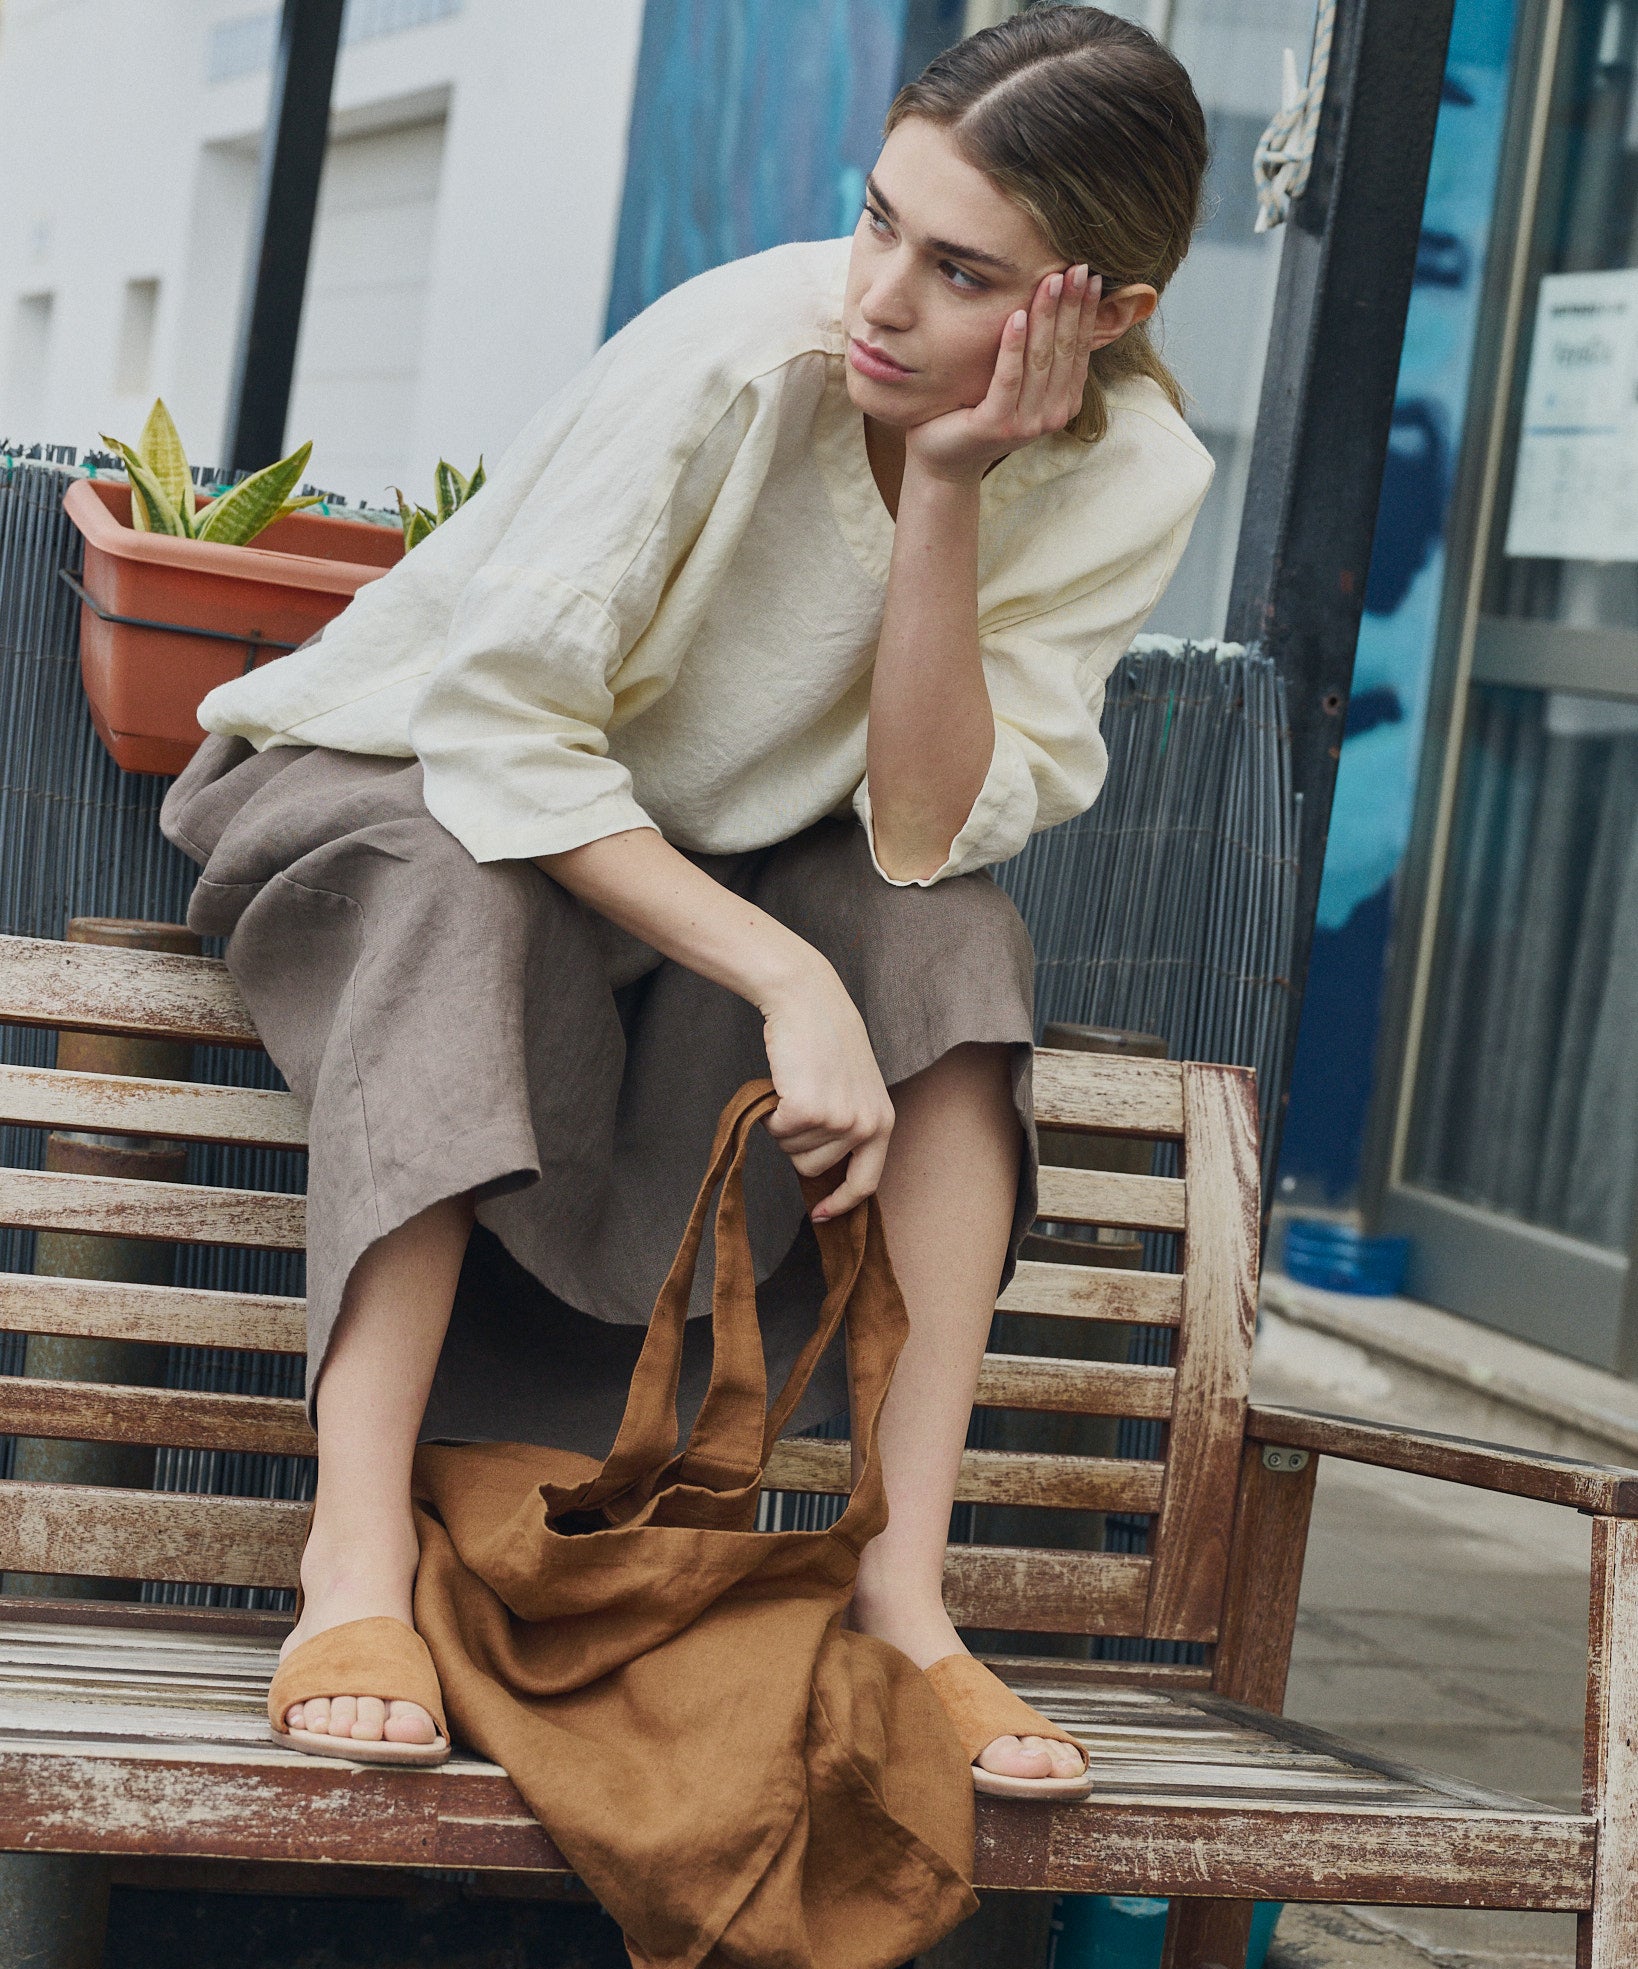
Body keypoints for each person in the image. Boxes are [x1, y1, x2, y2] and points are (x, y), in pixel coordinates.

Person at [163, 4, 1212, 1795]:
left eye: (961, 272)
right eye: (877, 220)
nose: (881, 297)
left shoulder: (1131, 477)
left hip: (703, 856)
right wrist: (789, 982)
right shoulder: (740, 354)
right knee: (465, 887)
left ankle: (903, 1597)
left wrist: (947, 489)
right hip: (397, 786)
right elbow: (499, 739)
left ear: (1099, 315)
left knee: (956, 942)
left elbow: (920, 829)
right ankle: (351, 1558)